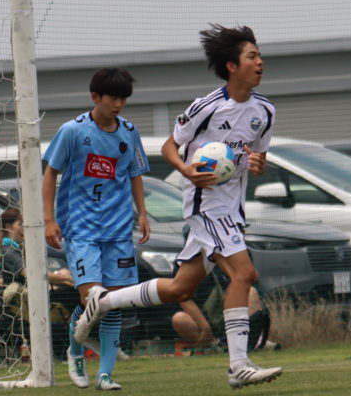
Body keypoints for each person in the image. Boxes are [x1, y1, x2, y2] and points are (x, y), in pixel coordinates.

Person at [72, 24, 282, 388]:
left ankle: (103, 301)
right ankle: (239, 365)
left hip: (233, 209)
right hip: (206, 205)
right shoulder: (207, 106)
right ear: (232, 66)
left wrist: (258, 164)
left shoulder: (265, 111)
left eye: (260, 56)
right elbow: (171, 145)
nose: (260, 62)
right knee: (244, 274)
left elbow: (257, 158)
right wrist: (186, 170)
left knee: (180, 288)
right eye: (252, 56)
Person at [42, 67, 150, 391]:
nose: (118, 104)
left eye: (123, 99)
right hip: (82, 229)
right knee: (92, 298)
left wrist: (143, 214)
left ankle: (105, 375)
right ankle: (75, 351)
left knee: (113, 304)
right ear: (95, 97)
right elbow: (50, 173)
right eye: (112, 98)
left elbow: (135, 174)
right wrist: (49, 219)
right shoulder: (72, 131)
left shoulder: (129, 132)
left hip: (119, 231)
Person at [171, 268, 271, 352]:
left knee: (250, 291)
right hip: (202, 320)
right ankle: (214, 347)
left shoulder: (229, 256)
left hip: (230, 314)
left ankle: (253, 342)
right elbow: (182, 297)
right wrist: (205, 327)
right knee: (179, 319)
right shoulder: (184, 262)